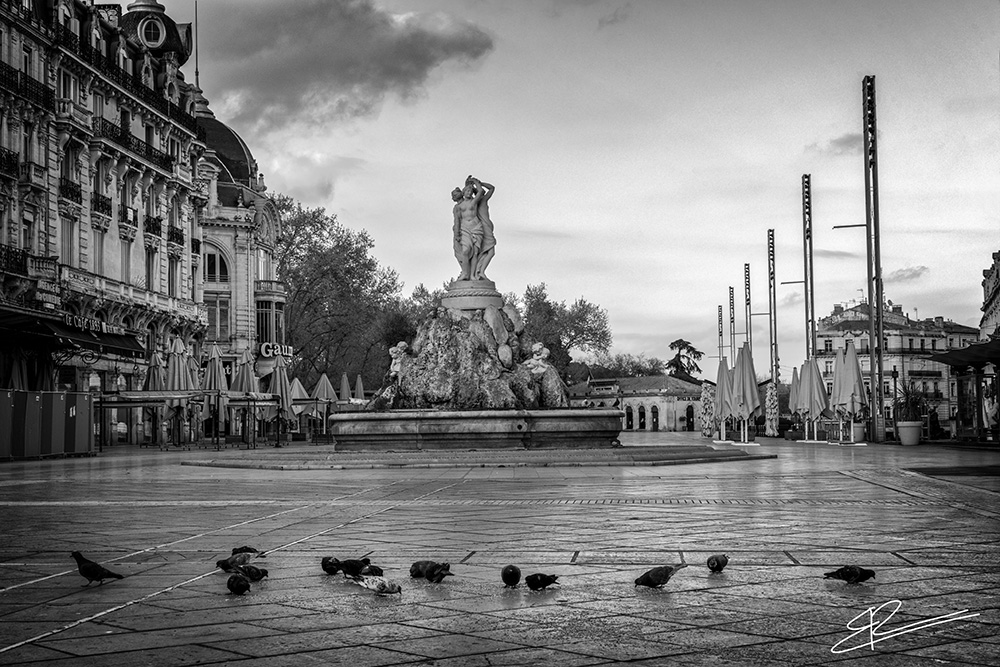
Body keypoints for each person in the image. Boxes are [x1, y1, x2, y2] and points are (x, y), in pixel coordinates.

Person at [452, 176, 496, 280]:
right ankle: (465, 273)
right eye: (467, 191)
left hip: (476, 227)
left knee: (476, 252)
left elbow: (481, 191)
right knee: (466, 250)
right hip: (465, 228)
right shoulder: (458, 206)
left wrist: (476, 182)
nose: (469, 193)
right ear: (463, 192)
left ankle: (472, 275)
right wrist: (457, 233)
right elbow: (457, 220)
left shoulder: (474, 202)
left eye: (470, 191)